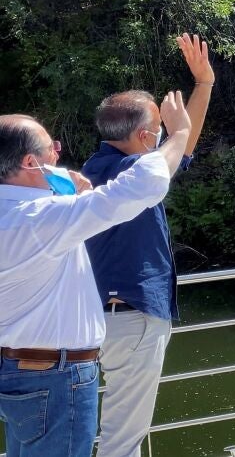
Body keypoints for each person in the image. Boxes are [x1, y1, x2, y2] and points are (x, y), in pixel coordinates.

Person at [0, 92, 191, 457]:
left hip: (14, 371)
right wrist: (179, 133)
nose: (58, 154)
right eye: (52, 149)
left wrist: (63, 181)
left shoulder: (21, 214)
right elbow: (142, 187)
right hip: (56, 377)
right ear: (29, 162)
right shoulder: (42, 220)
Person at [81, 34, 215, 457]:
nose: (164, 137)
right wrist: (186, 119)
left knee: (113, 432)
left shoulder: (98, 168)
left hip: (102, 317)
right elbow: (180, 146)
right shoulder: (135, 174)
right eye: (158, 131)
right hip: (132, 318)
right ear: (143, 137)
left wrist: (204, 85)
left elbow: (181, 150)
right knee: (123, 439)